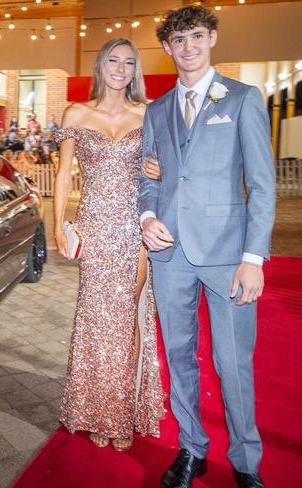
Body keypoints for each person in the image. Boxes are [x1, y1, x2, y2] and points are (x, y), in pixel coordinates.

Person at [139, 7, 275, 488]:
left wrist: (253, 258)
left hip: (228, 256)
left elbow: (261, 185)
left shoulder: (242, 99)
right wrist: (147, 216)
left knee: (232, 362)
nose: (189, 47)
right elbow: (147, 178)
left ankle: (245, 463)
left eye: (197, 36)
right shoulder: (155, 111)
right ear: (168, 48)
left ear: (212, 38)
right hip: (169, 255)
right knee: (178, 356)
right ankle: (191, 448)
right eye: (179, 39)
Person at [53, 38, 164, 452]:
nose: (121, 68)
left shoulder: (148, 113)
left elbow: (162, 166)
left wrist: (158, 167)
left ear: (136, 70)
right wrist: (59, 228)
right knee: (98, 319)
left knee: (127, 314)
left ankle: (122, 413)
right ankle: (97, 408)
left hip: (135, 227)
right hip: (96, 226)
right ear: (101, 66)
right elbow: (64, 174)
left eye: (129, 62)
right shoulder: (77, 113)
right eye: (114, 60)